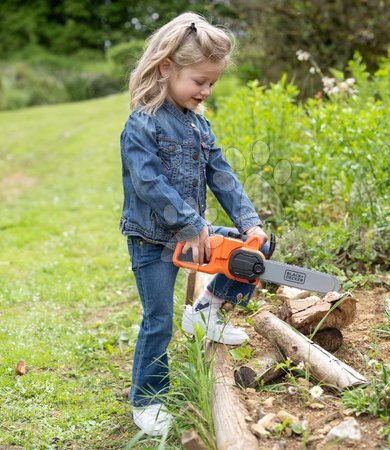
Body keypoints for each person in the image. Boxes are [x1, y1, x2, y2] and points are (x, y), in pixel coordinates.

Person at [119, 12, 268, 436]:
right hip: (153, 240)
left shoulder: (200, 125)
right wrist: (189, 223)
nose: (205, 91)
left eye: (212, 83)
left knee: (253, 252)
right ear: (167, 68)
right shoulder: (142, 123)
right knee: (159, 318)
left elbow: (221, 175)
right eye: (199, 81)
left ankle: (209, 309)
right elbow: (148, 182)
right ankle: (146, 399)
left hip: (193, 235)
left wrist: (248, 221)